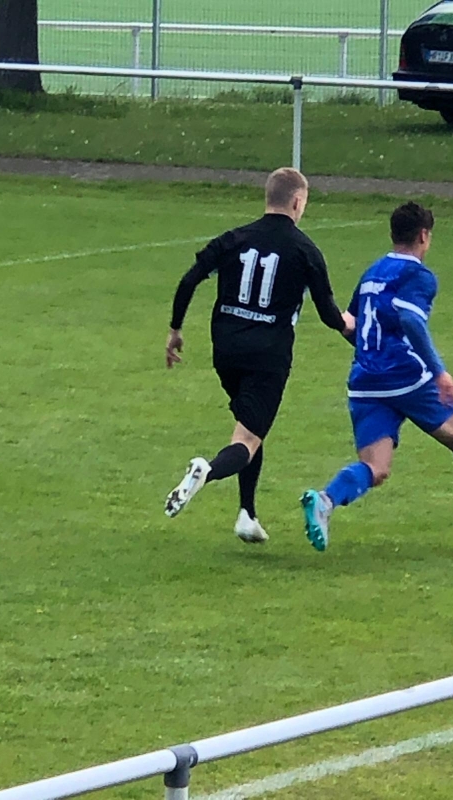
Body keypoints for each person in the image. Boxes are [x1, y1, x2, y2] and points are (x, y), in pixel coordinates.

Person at [164, 167, 350, 543]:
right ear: (297, 202)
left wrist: (176, 330)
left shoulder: (234, 238)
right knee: (247, 439)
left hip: (226, 350)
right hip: (268, 356)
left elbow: (189, 279)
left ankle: (247, 515)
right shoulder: (305, 250)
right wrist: (354, 330)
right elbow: (329, 314)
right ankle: (207, 470)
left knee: (250, 426)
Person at [301, 201, 453, 552]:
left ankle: (325, 500)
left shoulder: (373, 272)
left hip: (365, 383)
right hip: (405, 376)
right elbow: (411, 319)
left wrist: (369, 352)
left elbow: (349, 323)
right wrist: (439, 372)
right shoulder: (418, 276)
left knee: (376, 467)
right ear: (424, 235)